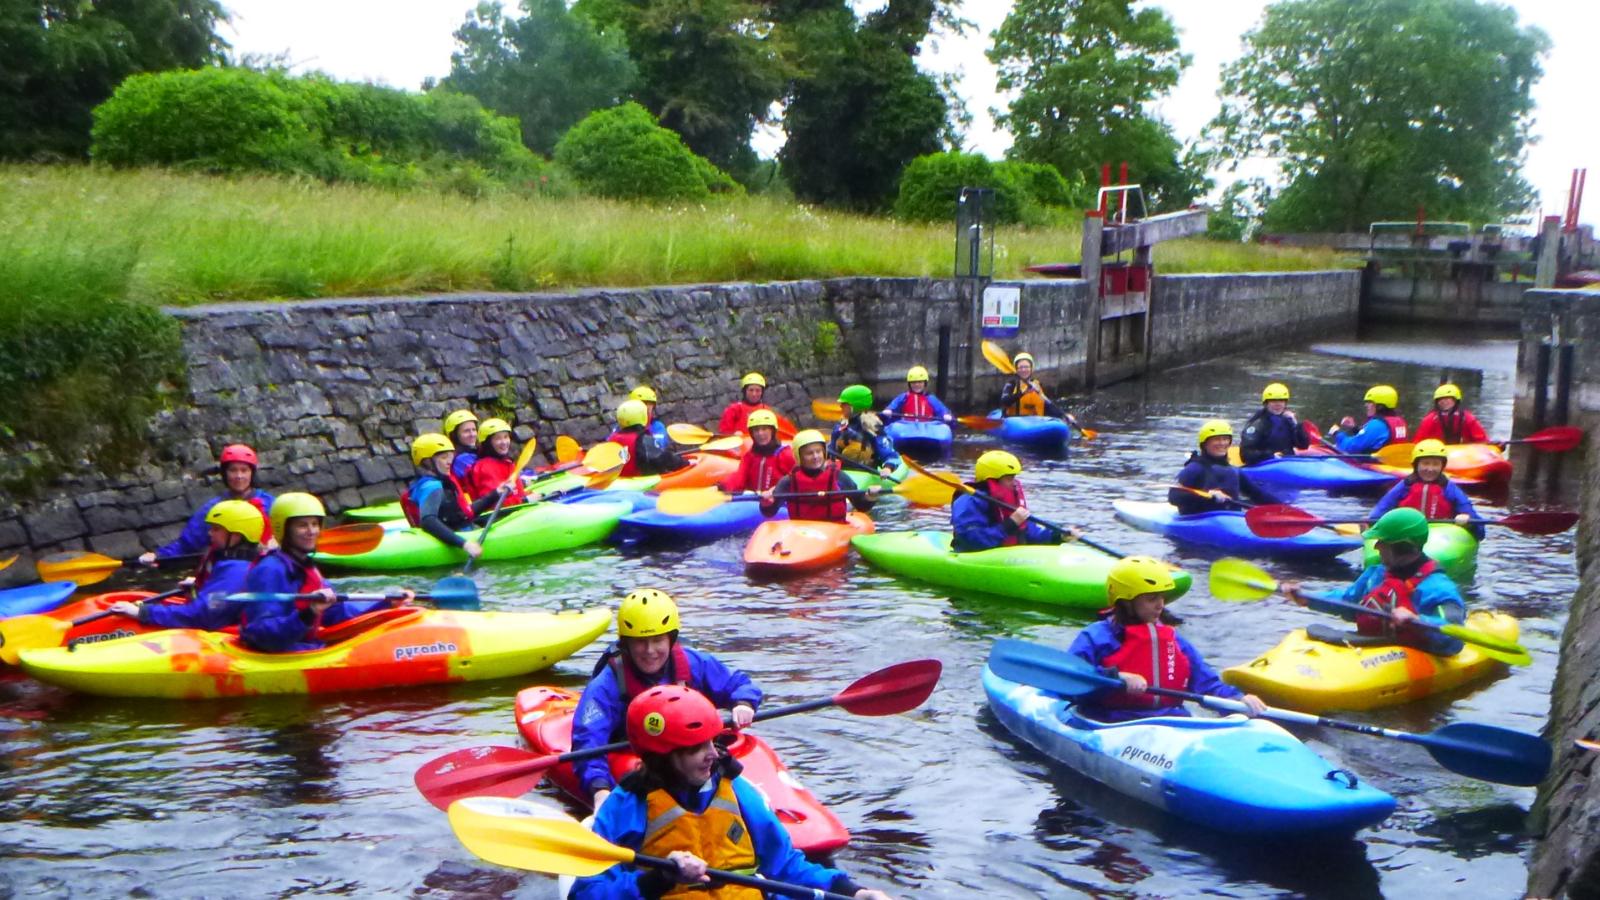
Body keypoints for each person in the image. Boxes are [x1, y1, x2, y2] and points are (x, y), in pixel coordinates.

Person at [571, 685, 895, 900]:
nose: (712, 754)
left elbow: (787, 866)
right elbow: (585, 893)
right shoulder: (627, 805)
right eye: (696, 748)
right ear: (663, 755)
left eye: (713, 741)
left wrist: (852, 890)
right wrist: (657, 880)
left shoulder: (738, 791)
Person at [570, 590, 763, 809]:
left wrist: (744, 703)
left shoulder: (693, 663)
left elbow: (738, 684)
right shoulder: (607, 685)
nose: (650, 650)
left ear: (671, 640)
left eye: (657, 640)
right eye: (640, 642)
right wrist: (600, 789)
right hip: (635, 757)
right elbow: (588, 743)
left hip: (689, 755)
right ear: (626, 644)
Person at [1067, 556, 1268, 722]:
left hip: (1169, 721)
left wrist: (1239, 700)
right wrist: (1115, 677)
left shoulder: (1174, 640)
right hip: (1112, 722)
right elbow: (1070, 680)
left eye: (1162, 597)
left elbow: (1208, 684)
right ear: (1126, 602)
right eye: (1151, 599)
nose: (1160, 605)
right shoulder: (1096, 637)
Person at [1283, 507, 1467, 656]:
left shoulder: (1437, 588)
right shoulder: (1376, 574)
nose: (1377, 546)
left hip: (1415, 652)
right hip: (1372, 648)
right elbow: (1348, 602)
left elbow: (1453, 635)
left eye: (1383, 542)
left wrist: (1417, 620)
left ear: (1403, 547)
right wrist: (1308, 599)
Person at [238, 493, 410, 652]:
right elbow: (261, 633)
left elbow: (336, 613)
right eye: (302, 525)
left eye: (314, 524)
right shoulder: (270, 569)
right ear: (284, 529)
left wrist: (386, 602)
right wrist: (308, 613)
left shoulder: (306, 566)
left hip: (303, 647)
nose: (312, 531)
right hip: (276, 654)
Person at [109, 499, 262, 631]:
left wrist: (142, 612)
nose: (210, 534)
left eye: (216, 529)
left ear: (236, 535)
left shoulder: (236, 571)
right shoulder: (234, 563)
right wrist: (198, 589)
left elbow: (203, 616)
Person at [139, 444, 273, 566]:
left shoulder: (270, 504)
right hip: (227, 567)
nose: (239, 476)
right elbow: (187, 544)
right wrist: (159, 556)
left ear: (252, 473)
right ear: (225, 474)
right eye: (233, 470)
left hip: (262, 566)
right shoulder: (213, 508)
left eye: (244, 470)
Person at [402, 433, 506, 560]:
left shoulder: (441, 482)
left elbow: (464, 514)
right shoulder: (431, 486)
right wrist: (465, 544)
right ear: (427, 462)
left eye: (450, 456)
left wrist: (496, 493)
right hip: (457, 539)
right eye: (443, 457)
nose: (449, 462)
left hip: (463, 529)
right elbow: (428, 521)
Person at [951, 450, 1075, 551]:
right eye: (1009, 478)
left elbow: (1028, 531)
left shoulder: (1009, 497)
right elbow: (972, 540)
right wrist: (1009, 525)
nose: (1014, 484)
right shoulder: (970, 501)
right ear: (992, 480)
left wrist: (1058, 536)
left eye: (1014, 478)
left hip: (1007, 555)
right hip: (976, 555)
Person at [1368, 439, 1484, 540]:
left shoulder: (1450, 489)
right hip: (1407, 535)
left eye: (1435, 464)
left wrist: (1469, 522)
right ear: (1416, 465)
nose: (1430, 469)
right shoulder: (1404, 486)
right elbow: (1376, 516)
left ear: (1442, 466)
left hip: (1442, 537)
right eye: (1425, 463)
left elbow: (1480, 530)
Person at [760, 430, 879, 522]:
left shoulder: (839, 477)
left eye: (818, 451)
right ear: (799, 456)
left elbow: (861, 505)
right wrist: (767, 501)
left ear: (824, 452)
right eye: (809, 453)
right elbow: (769, 512)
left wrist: (871, 497)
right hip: (801, 532)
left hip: (833, 529)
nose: (816, 456)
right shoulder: (788, 481)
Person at [1169, 420, 1258, 515]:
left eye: (1225, 439)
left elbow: (1257, 494)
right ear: (1205, 443)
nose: (1222, 443)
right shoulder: (1194, 468)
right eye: (1216, 439)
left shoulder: (1234, 470)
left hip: (1231, 517)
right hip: (1200, 517)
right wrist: (1207, 495)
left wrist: (1274, 504)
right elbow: (1174, 496)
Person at [829, 385, 900, 478]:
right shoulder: (841, 424)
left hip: (865, 472)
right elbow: (831, 447)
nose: (841, 406)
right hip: (843, 472)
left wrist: (888, 467)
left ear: (853, 406)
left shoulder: (871, 426)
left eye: (844, 404)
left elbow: (887, 450)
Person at [717, 409, 794, 493]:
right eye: (756, 430)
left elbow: (796, 479)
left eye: (764, 429)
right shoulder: (750, 456)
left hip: (779, 502)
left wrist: (777, 491)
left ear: (772, 431)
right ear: (751, 433)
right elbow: (739, 477)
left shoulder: (785, 454)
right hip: (754, 502)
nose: (760, 434)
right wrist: (722, 486)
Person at [610, 400, 689, 477]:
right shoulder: (643, 440)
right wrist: (684, 463)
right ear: (643, 416)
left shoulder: (612, 439)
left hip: (618, 483)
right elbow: (663, 458)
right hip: (642, 484)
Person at [1238, 382, 1311, 464]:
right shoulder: (1258, 424)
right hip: (1266, 464)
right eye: (1273, 401)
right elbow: (1245, 455)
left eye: (1281, 401)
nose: (1278, 404)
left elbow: (1303, 445)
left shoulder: (1289, 421)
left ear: (1285, 403)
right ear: (1266, 403)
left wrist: (1296, 424)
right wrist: (1271, 456)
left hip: (1287, 462)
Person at [464, 418, 529, 507]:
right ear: (488, 443)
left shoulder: (507, 462)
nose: (504, 442)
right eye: (498, 438)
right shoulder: (484, 467)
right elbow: (493, 505)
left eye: (506, 437)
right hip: (498, 517)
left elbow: (518, 493)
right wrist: (524, 500)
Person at [1329, 385, 1409, 453]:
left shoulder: (1377, 425)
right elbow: (1375, 438)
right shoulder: (1400, 421)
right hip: (1394, 464)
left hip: (1374, 467)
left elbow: (1350, 448)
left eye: (1370, 402)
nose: (1366, 405)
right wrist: (1355, 428)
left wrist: (1337, 434)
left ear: (1380, 406)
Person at [1414, 384, 1489, 444]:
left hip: (1464, 454)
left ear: (1456, 400)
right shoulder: (1431, 419)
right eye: (1440, 399)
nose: (1444, 402)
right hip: (1437, 453)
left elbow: (1482, 440)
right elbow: (1418, 442)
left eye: (1447, 399)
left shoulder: (1467, 418)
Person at [998, 351, 1065, 418]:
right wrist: (1022, 393)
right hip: (1014, 421)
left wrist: (1062, 415)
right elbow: (1004, 401)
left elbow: (1047, 404)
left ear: (1031, 369)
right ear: (1016, 369)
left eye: (1026, 367)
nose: (1024, 370)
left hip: (1034, 422)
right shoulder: (1011, 384)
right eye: (1020, 367)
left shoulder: (1036, 384)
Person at [882, 365, 954, 424]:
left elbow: (941, 409)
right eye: (913, 382)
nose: (916, 385)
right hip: (907, 427)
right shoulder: (904, 397)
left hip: (928, 427)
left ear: (925, 383)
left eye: (920, 382)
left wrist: (945, 415)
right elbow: (894, 405)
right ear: (909, 384)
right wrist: (889, 411)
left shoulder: (930, 398)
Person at [443, 409, 480, 482]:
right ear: (454, 435)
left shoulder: (474, 452)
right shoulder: (461, 459)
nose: (472, 434)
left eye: (474, 430)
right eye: (466, 431)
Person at [630, 385, 671, 449]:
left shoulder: (657, 426)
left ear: (653, 406)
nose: (646, 407)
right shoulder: (623, 428)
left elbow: (657, 447)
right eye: (642, 403)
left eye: (648, 403)